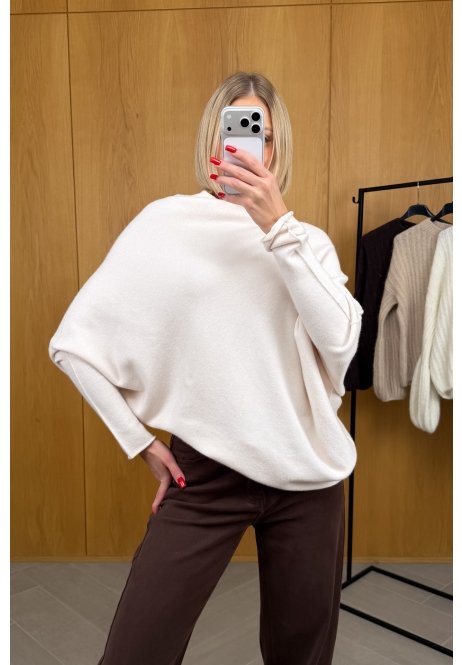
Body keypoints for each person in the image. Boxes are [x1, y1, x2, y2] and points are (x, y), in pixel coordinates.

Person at [49, 71, 363, 665]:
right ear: (213, 142)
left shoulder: (306, 242)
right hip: (205, 477)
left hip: (307, 478)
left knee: (301, 656)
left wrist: (279, 230)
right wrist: (140, 443)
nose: (248, 145)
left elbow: (342, 345)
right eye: (236, 129)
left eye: (261, 134)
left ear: (276, 147)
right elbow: (73, 345)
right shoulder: (165, 224)